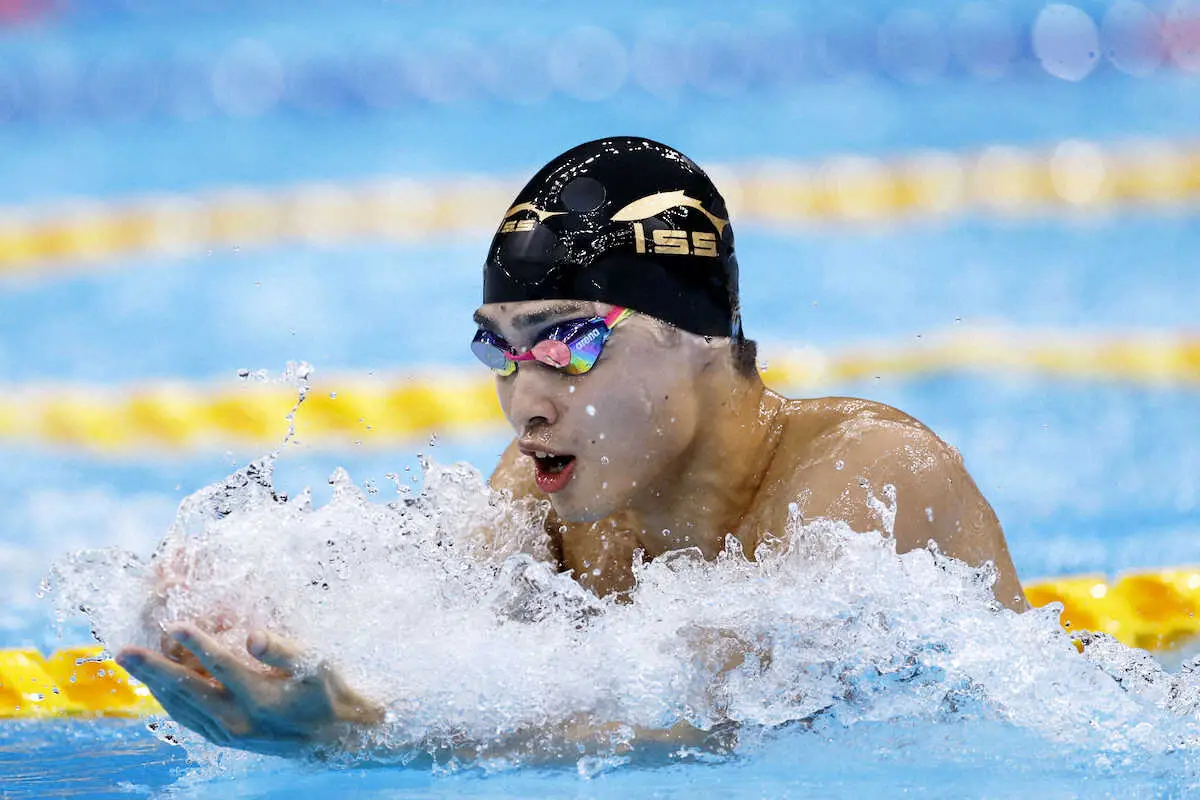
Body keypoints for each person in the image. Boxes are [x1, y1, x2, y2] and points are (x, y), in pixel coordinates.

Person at [116, 136, 1027, 758]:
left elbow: (704, 725)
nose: (526, 403)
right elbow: (430, 635)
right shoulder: (546, 488)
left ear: (698, 338)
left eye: (567, 342)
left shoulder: (870, 475)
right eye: (501, 350)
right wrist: (242, 637)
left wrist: (366, 730)